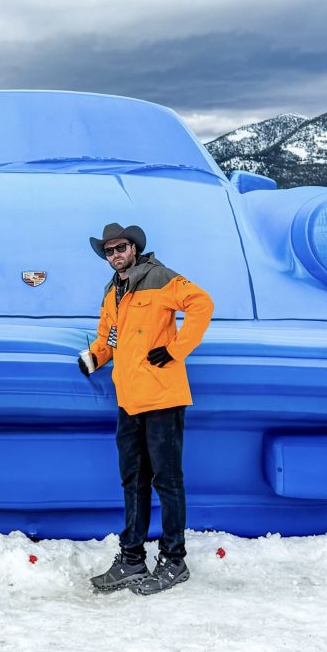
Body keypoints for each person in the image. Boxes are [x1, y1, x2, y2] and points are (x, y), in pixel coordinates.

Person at [79, 222, 213, 595]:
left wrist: (175, 350)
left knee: (167, 481)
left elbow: (202, 304)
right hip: (129, 399)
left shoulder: (160, 277)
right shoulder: (112, 291)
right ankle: (132, 559)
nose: (116, 255)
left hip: (162, 398)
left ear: (134, 248)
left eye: (121, 247)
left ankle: (174, 560)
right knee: (133, 480)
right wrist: (94, 358)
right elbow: (109, 337)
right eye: (109, 251)